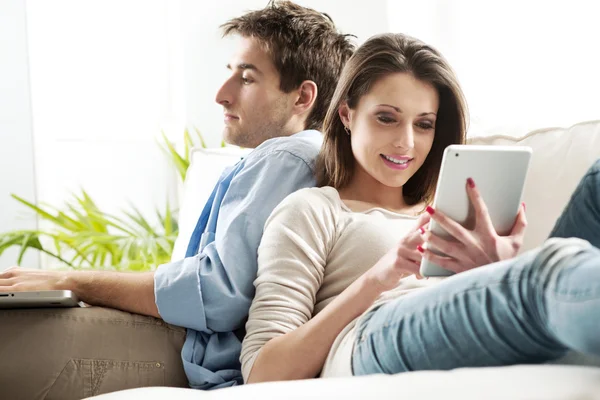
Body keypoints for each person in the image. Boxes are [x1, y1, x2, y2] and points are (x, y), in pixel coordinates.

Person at [0, 1, 355, 397]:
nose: (222, 95)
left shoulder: (288, 155)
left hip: (194, 355)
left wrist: (72, 280)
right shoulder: (301, 157)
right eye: (229, 74)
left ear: (303, 97)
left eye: (247, 78)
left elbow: (218, 293)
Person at [240, 32, 600, 384]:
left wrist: (497, 268)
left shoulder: (448, 210)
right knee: (546, 272)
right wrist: (378, 279)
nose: (406, 142)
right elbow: (262, 374)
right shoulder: (314, 209)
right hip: (369, 335)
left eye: (424, 124)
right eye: (386, 117)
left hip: (474, 315)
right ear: (347, 115)